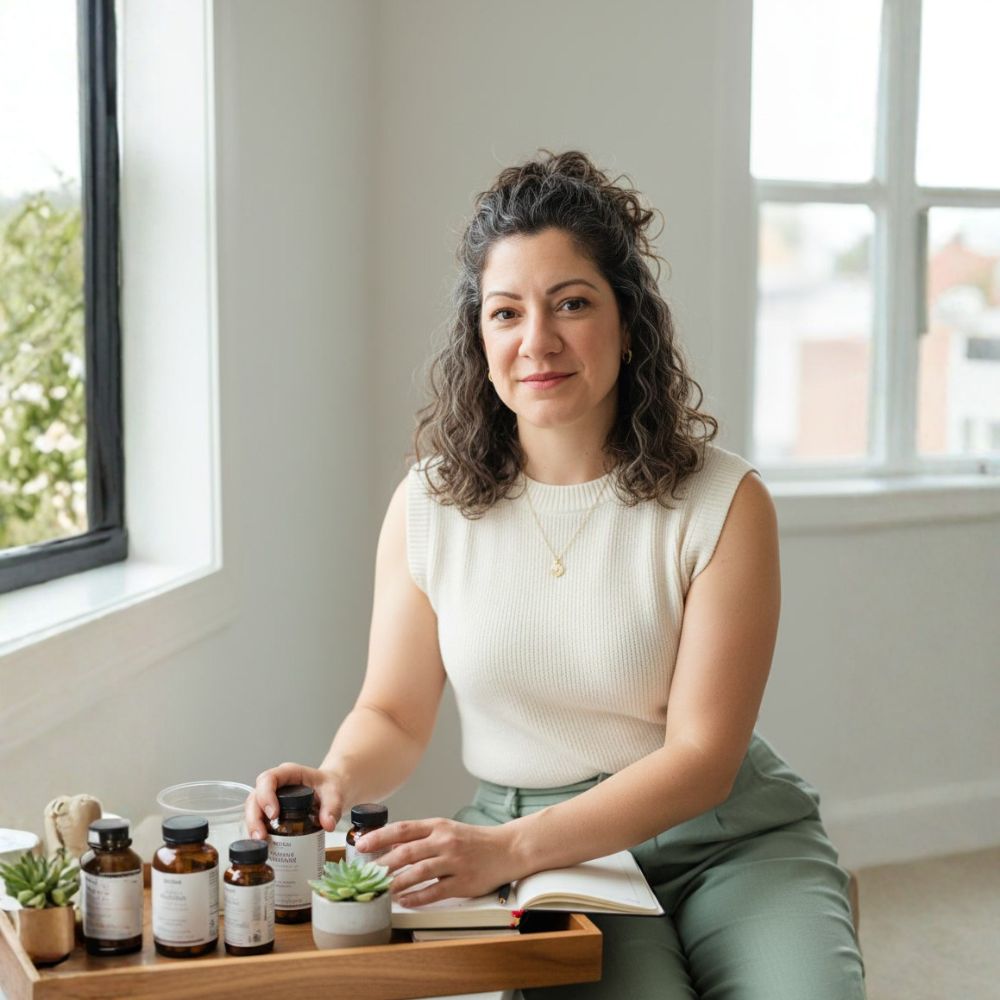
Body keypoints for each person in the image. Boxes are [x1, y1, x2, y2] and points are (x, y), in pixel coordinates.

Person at [246, 149, 867, 999]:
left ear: (628, 320)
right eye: (506, 313)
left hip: (729, 835)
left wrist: (504, 851)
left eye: (571, 303)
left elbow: (702, 757)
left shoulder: (724, 501)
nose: (537, 341)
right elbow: (391, 710)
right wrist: (337, 775)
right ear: (481, 336)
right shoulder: (427, 506)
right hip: (548, 852)